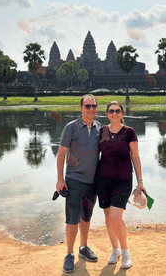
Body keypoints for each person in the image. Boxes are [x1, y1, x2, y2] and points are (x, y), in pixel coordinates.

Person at [95, 100, 147, 269]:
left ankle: (125, 251)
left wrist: (140, 182)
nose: (114, 113)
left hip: (123, 180)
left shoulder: (129, 132)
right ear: (107, 114)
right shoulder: (102, 131)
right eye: (111, 111)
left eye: (118, 110)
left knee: (116, 217)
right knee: (108, 218)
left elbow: (136, 157)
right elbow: (93, 154)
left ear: (122, 113)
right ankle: (114, 249)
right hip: (103, 180)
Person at [56, 94, 101, 273]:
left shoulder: (100, 128)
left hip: (92, 182)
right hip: (74, 180)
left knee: (86, 217)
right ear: (81, 108)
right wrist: (60, 179)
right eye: (87, 106)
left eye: (94, 106)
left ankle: (83, 247)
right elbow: (61, 154)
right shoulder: (71, 128)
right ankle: (69, 254)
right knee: (72, 219)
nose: (91, 109)